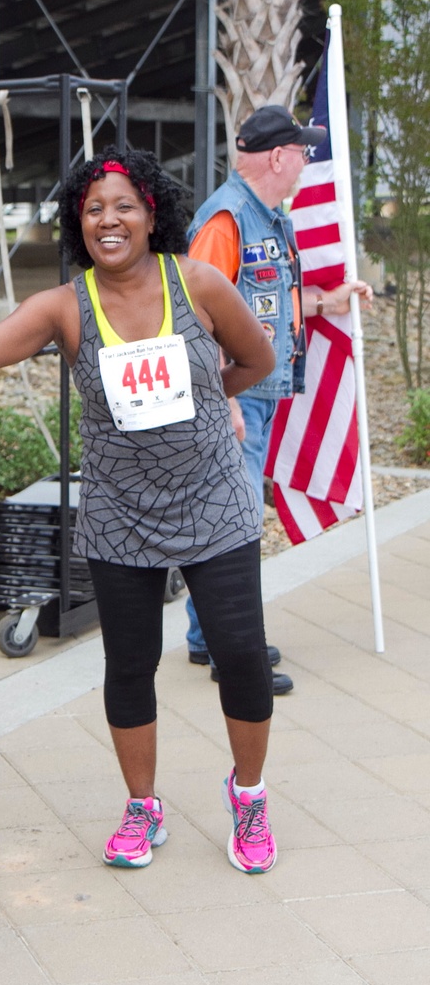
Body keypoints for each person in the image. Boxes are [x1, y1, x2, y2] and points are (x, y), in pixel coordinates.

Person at [0, 146, 281, 874]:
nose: (109, 218)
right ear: (78, 224)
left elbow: (259, 360)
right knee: (130, 664)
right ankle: (142, 807)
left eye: (124, 204)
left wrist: (214, 392)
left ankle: (249, 794)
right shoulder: (66, 305)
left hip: (213, 502)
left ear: (151, 213)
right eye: (93, 208)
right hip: (120, 512)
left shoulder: (198, 283)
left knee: (243, 656)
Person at [183, 105, 374, 693]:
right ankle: (229, 651)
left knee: (229, 520)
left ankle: (205, 636)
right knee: (234, 527)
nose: (304, 164)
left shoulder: (264, 217)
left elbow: (261, 301)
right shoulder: (227, 220)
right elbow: (198, 314)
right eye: (301, 152)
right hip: (237, 402)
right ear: (277, 157)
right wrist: (226, 400)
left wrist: (327, 302)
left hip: (257, 395)